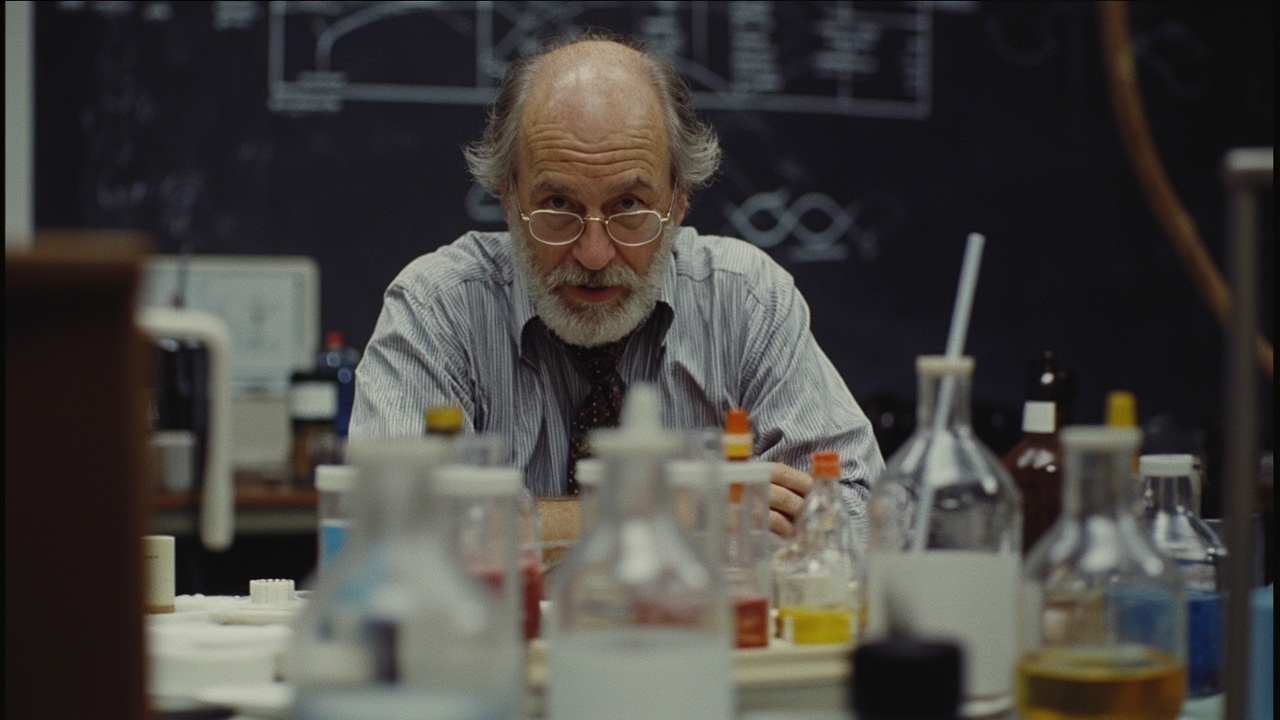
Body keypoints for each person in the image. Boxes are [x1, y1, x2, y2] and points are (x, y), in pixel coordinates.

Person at [350, 31, 884, 552]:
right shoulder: (439, 307)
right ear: (509, 199)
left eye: (629, 206)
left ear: (678, 200)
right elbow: (387, 528)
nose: (595, 254)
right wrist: (672, 507)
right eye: (558, 204)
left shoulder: (745, 299)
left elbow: (860, 512)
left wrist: (518, 527)